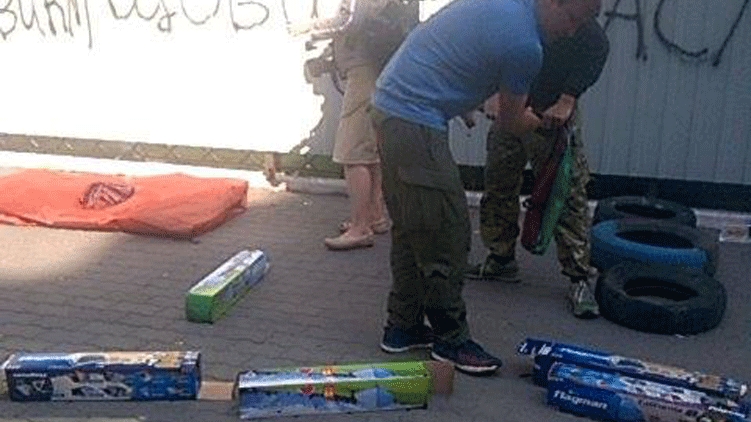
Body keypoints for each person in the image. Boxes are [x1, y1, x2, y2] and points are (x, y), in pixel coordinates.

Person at [370, 0, 602, 375]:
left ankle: (403, 328)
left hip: (390, 107)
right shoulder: (526, 44)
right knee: (447, 232)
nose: (572, 30)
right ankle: (450, 340)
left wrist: (462, 99)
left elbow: (450, 47)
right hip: (413, 120)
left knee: (414, 229)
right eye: (572, 18)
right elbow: (512, 122)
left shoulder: (504, 7)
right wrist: (541, 123)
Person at [466, 17, 609, 319]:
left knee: (565, 192)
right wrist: (493, 91)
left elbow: (597, 46)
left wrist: (568, 98)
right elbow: (494, 47)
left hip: (550, 112)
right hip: (512, 105)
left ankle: (578, 277)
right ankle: (500, 258)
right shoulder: (516, 13)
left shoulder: (575, 18)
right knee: (499, 182)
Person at [288, 0, 393, 250]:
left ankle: (360, 228)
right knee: (370, 151)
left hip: (363, 73)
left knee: (353, 152)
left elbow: (349, 20)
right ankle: (375, 216)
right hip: (376, 70)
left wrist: (308, 27)